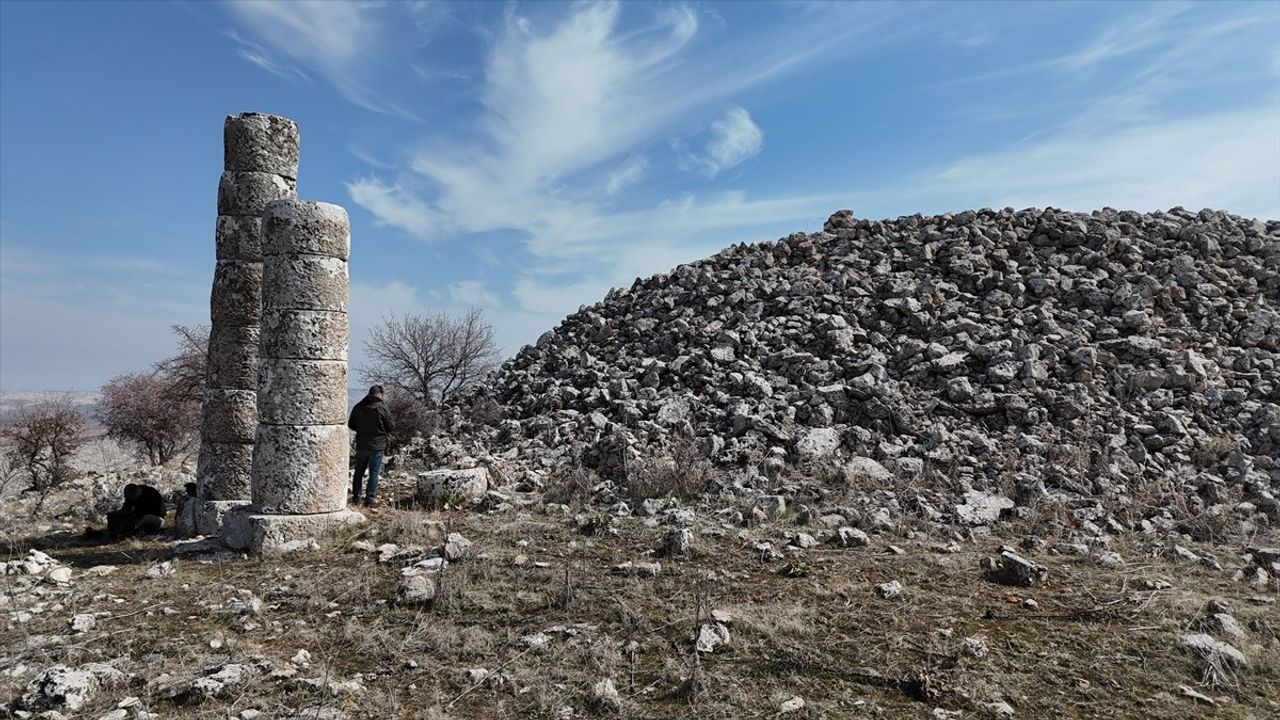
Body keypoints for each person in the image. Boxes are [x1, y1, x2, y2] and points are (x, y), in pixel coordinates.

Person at [348, 384, 395, 507]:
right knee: (374, 474)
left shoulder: (358, 407)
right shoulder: (382, 408)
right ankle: (369, 500)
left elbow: (351, 424)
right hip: (377, 445)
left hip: (362, 444)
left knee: (358, 472)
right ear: (380, 394)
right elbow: (391, 426)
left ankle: (356, 499)